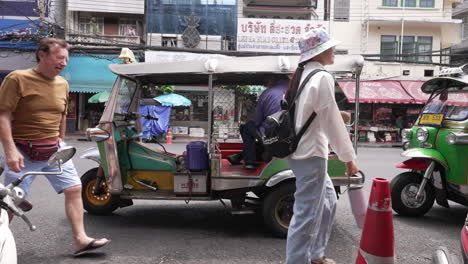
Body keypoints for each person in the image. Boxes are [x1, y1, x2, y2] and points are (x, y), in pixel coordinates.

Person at [0, 38, 111, 257]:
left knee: (74, 189)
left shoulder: (63, 83)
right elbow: (3, 115)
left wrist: (61, 141)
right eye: (60, 58)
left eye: (66, 59)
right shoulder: (17, 79)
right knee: (10, 201)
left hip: (53, 150)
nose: (64, 63)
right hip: (23, 150)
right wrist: (10, 150)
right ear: (42, 54)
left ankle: (80, 240)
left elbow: (61, 114)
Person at [284, 27, 360, 264]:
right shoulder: (321, 77)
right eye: (330, 47)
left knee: (328, 202)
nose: (334, 50)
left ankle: (316, 255)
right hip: (311, 155)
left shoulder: (305, 76)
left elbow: (321, 116)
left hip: (301, 152)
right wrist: (349, 160)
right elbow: (332, 122)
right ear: (318, 52)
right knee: (306, 214)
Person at [227, 75, 289, 169]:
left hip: (271, 132)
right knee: (259, 140)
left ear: (271, 80)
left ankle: (249, 162)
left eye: (266, 82)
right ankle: (238, 157)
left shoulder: (267, 93)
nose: (266, 85)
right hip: (290, 132)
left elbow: (257, 120)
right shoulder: (295, 90)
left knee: (246, 127)